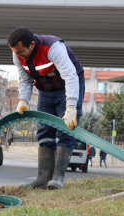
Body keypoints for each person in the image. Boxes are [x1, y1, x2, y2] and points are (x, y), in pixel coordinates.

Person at [8, 27, 85, 189]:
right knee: (44, 130)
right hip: (46, 89)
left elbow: (70, 75)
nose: (18, 55)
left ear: (32, 45)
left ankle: (58, 178)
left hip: (68, 85)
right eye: (15, 51)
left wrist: (71, 106)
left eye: (21, 51)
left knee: (66, 129)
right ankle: (43, 178)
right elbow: (25, 80)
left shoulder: (53, 48)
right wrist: (23, 100)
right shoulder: (17, 54)